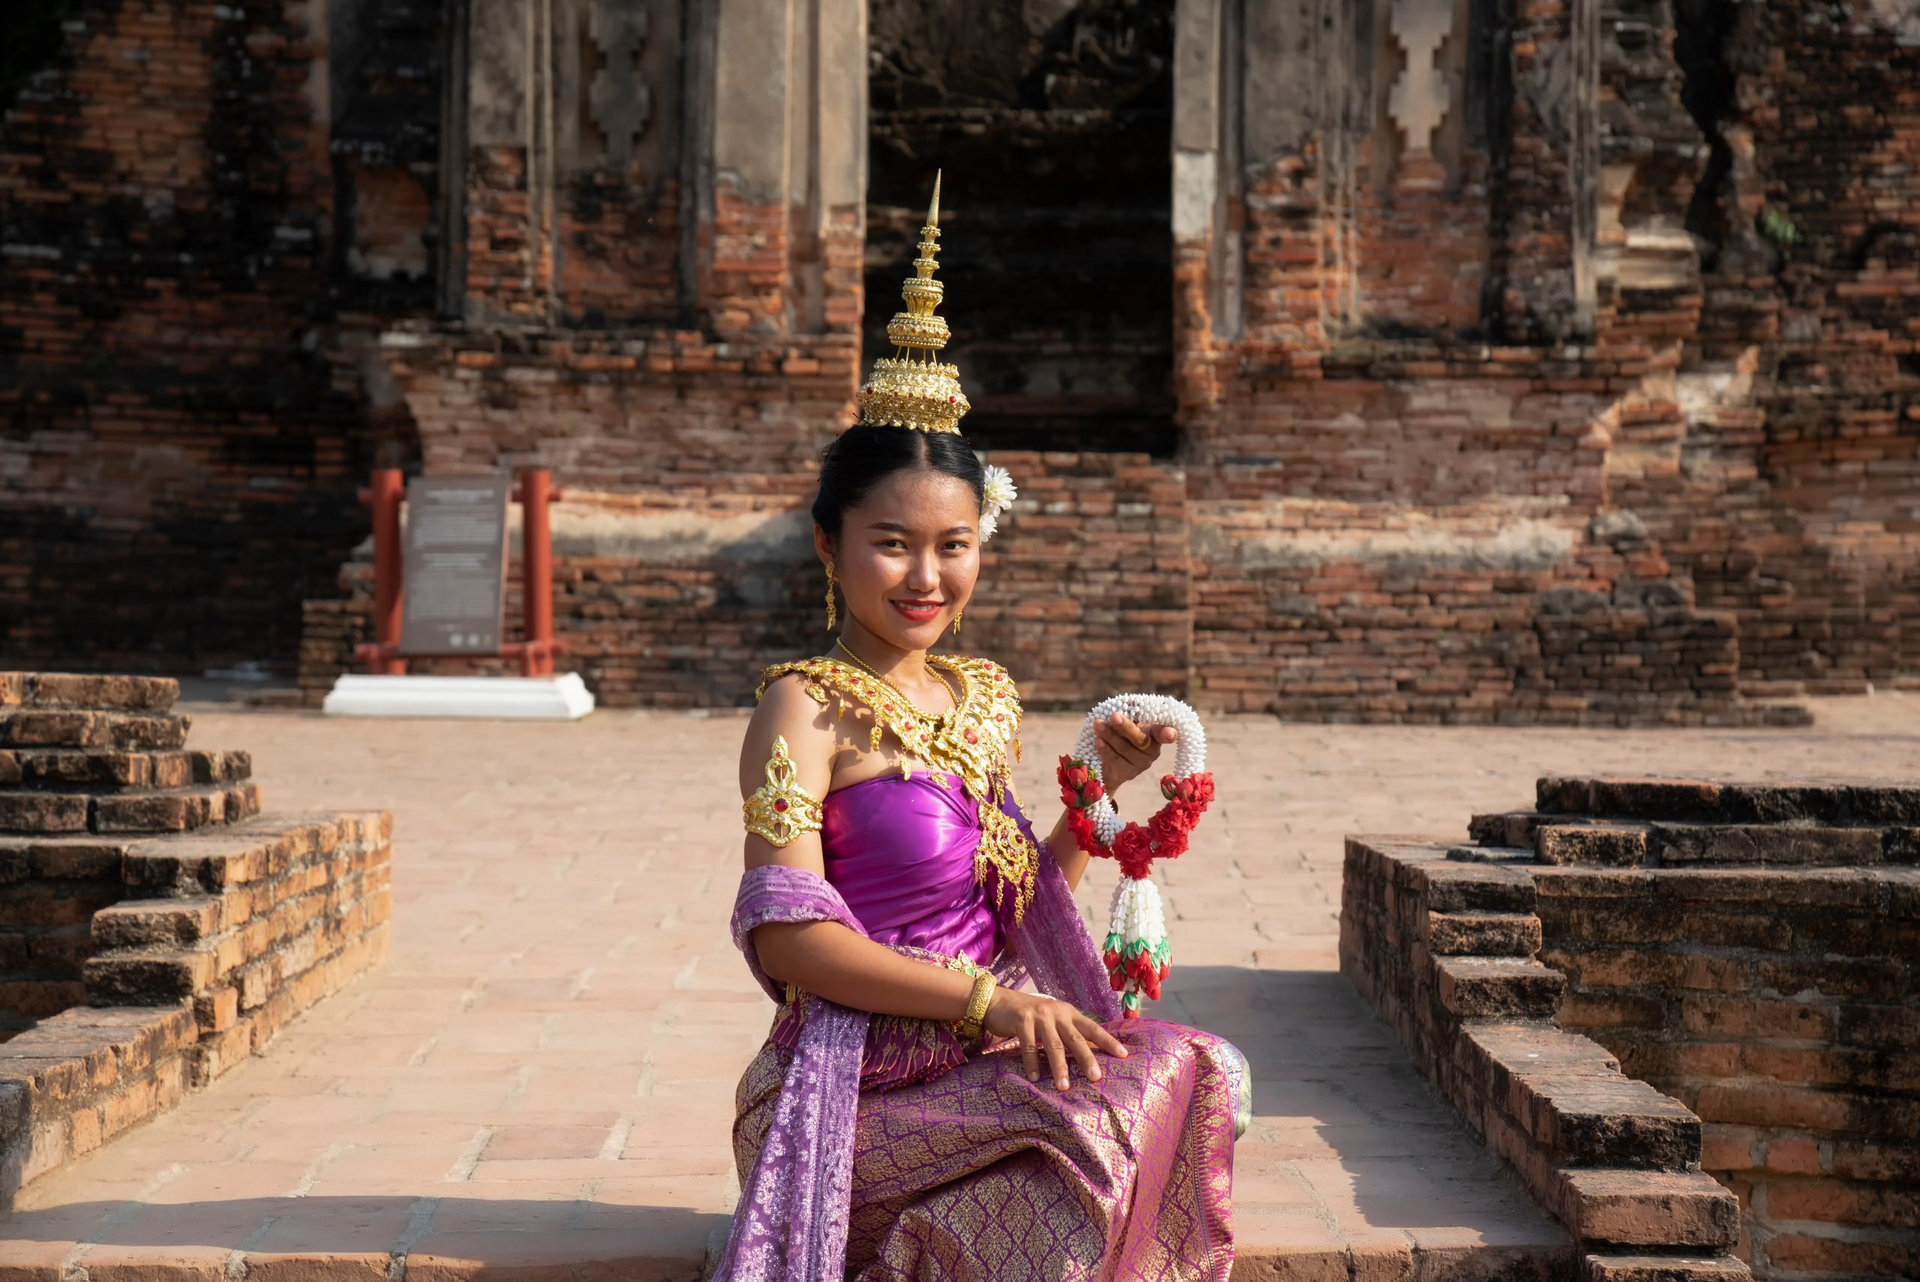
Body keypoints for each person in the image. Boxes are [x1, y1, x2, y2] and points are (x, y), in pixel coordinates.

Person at [710, 178, 1249, 1282]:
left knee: (1207, 1069)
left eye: (953, 544)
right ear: (827, 546)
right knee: (1088, 1135)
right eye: (892, 542)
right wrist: (987, 1000)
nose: (926, 575)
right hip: (850, 1087)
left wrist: (1088, 791)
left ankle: (930, 1250)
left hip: (979, 1060)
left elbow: (1007, 902)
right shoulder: (802, 707)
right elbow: (788, 941)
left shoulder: (982, 698)